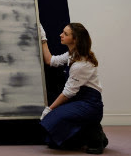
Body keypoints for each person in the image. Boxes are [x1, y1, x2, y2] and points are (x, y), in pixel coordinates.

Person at [39, 23, 108, 154]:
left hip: (90, 105)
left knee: (51, 119)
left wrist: (49, 108)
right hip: (79, 101)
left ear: (75, 39)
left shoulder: (81, 64)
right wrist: (43, 38)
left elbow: (67, 93)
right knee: (53, 141)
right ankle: (88, 133)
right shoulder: (72, 54)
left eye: (65, 34)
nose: (61, 35)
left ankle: (96, 136)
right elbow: (50, 60)